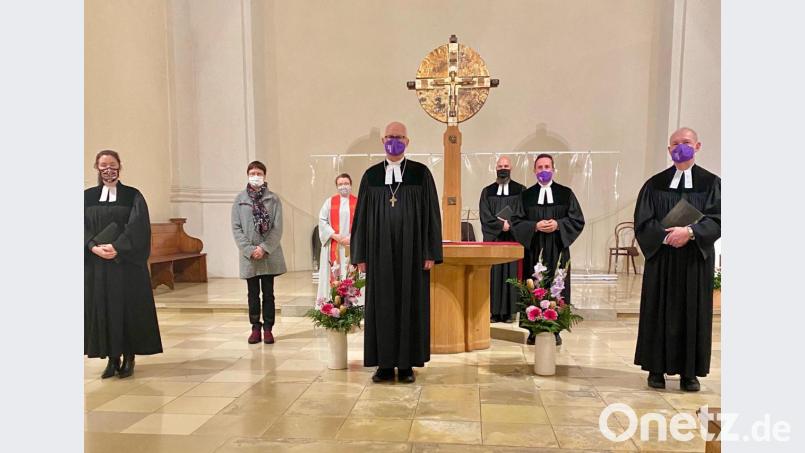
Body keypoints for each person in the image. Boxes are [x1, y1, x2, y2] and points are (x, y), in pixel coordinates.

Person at [350, 121, 443, 384]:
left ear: (407, 141)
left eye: (399, 137)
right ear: (383, 141)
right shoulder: (370, 176)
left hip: (413, 254)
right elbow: (361, 218)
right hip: (379, 254)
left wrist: (430, 251)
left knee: (410, 305)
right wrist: (360, 255)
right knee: (382, 306)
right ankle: (383, 364)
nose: (395, 141)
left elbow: (433, 215)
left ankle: (405, 366)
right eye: (390, 137)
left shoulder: (421, 174)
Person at [633, 127, 720, 392]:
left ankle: (689, 373)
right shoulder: (654, 184)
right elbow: (643, 220)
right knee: (657, 310)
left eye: (686, 142)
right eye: (675, 144)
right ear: (669, 149)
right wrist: (666, 237)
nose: (680, 147)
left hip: (695, 259)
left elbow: (719, 218)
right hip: (662, 258)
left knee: (692, 311)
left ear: (698, 146)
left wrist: (690, 232)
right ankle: (655, 369)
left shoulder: (711, 183)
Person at [84, 150, 163, 379]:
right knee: (103, 308)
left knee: (127, 309)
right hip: (98, 266)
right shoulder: (86, 196)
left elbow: (138, 226)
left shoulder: (132, 195)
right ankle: (111, 358)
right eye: (103, 165)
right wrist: (92, 246)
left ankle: (128, 356)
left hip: (125, 265)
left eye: (112, 164)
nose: (108, 169)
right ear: (97, 168)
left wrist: (118, 247)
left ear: (120, 166)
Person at [512, 153, 585, 346]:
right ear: (534, 171)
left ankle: (556, 328)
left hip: (558, 248)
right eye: (540, 167)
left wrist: (558, 224)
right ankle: (533, 329)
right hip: (535, 249)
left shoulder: (566, 193)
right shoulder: (526, 196)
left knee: (556, 285)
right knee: (534, 286)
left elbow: (577, 220)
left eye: (547, 167)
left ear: (553, 169)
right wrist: (534, 226)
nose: (543, 171)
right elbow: (516, 222)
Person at [231, 161, 287, 345]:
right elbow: (236, 228)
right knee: (252, 293)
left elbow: (277, 228)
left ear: (264, 176)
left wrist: (263, 248)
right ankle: (255, 327)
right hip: (250, 257)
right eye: (252, 172)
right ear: (248, 175)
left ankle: (268, 328)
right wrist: (249, 249)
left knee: (268, 293)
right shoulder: (240, 200)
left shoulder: (273, 199)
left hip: (268, 254)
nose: (256, 176)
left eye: (259, 173)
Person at [479, 156, 526, 323]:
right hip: (494, 239)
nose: (503, 168)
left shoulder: (520, 190)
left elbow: (523, 213)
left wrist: (511, 225)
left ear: (511, 168)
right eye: (500, 166)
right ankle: (493, 311)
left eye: (506, 165)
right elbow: (484, 215)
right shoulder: (487, 191)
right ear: (495, 168)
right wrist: (500, 226)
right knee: (494, 274)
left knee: (511, 274)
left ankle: (509, 312)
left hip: (512, 240)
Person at [317, 173, 358, 299]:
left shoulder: (358, 202)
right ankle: (333, 301)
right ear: (336, 186)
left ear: (351, 185)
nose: (343, 186)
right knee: (335, 271)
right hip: (334, 244)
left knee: (350, 271)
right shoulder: (329, 202)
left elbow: (363, 222)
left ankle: (352, 303)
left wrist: (352, 237)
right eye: (340, 184)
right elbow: (322, 220)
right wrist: (334, 235)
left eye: (346, 183)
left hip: (352, 244)